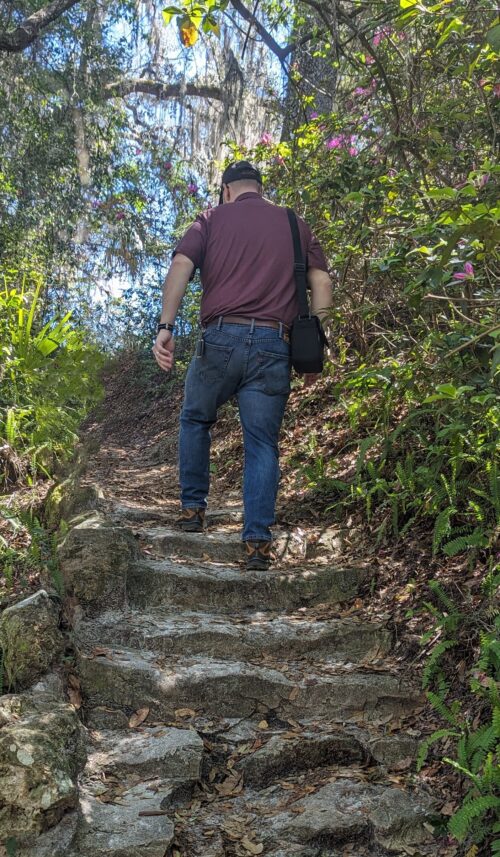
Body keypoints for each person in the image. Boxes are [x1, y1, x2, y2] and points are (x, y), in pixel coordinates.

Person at [152, 160, 332, 570]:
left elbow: (182, 264)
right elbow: (321, 281)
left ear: (227, 190)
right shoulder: (293, 223)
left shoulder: (211, 219)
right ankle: (256, 544)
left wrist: (166, 326)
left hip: (219, 338)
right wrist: (316, 340)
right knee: (262, 443)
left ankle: (193, 510)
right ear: (259, 188)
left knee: (196, 418)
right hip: (274, 343)